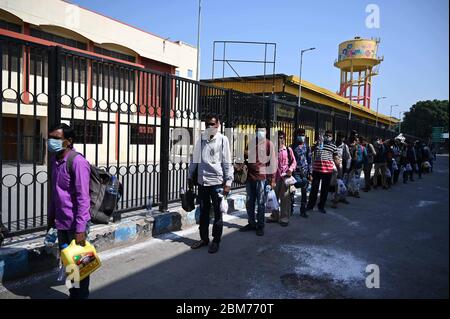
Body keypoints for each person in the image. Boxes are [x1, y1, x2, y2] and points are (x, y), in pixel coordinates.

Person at [47, 123, 91, 299]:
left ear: (68, 141)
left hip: (76, 225)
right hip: (61, 222)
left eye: (56, 138)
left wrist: (80, 229)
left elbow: (83, 198)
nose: (51, 141)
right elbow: (55, 193)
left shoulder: (78, 162)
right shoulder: (55, 161)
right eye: (50, 137)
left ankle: (81, 296)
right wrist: (51, 218)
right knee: (69, 264)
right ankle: (74, 294)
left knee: (82, 266)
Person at [188, 114, 234, 253]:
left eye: (212, 124)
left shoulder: (223, 140)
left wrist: (228, 182)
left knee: (218, 213)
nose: (209, 126)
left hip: (217, 183)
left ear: (218, 125)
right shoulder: (201, 139)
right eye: (207, 124)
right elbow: (195, 159)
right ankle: (204, 238)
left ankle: (216, 240)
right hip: (203, 182)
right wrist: (190, 175)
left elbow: (227, 161)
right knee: (203, 212)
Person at [240, 122, 276, 236]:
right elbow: (246, 155)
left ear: (265, 131)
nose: (260, 132)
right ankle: (251, 223)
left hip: (261, 178)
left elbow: (273, 163)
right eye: (258, 130)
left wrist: (273, 179)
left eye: (262, 130)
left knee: (260, 202)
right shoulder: (251, 142)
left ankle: (260, 225)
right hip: (250, 177)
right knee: (250, 202)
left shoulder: (269, 144)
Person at [266, 131, 296, 226]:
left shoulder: (288, 150)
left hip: (285, 178)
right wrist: (269, 178)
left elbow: (294, 162)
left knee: (285, 199)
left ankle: (284, 218)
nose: (280, 139)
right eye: (278, 137)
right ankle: (275, 216)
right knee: (274, 198)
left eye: (282, 137)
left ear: (284, 138)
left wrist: (290, 169)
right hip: (275, 178)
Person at [305, 130, 339, 214]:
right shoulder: (319, 144)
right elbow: (310, 151)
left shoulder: (333, 146)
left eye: (329, 136)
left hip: (327, 171)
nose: (328, 137)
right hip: (316, 170)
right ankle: (310, 205)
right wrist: (314, 145)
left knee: (324, 190)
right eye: (326, 135)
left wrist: (338, 168)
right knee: (314, 189)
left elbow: (335, 158)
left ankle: (321, 206)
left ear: (332, 137)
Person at [290, 128, 312, 218]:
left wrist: (310, 173)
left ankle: (303, 210)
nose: (301, 136)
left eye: (303, 134)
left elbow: (309, 160)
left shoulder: (307, 147)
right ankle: (290, 209)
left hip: (305, 172)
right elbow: (290, 161)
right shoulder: (292, 147)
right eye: (300, 134)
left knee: (304, 192)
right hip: (295, 172)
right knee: (292, 192)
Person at [331, 131, 351, 208]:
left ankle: (336, 201)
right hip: (331, 167)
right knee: (332, 184)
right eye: (339, 136)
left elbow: (348, 157)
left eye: (342, 137)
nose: (340, 138)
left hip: (340, 168)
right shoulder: (332, 145)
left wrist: (347, 168)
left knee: (339, 184)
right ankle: (335, 198)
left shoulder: (344, 146)